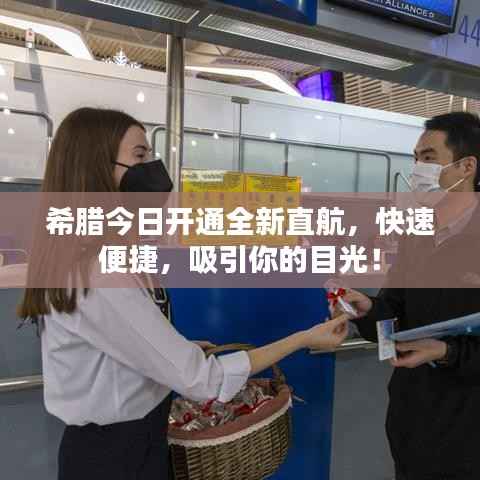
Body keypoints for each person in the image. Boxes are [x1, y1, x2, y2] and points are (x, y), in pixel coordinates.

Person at [17, 107, 350, 480]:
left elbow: (112, 350)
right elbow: (205, 380)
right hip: (113, 457)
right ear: (96, 168)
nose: (153, 168)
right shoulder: (97, 272)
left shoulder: (104, 257)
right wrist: (304, 338)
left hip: (138, 441)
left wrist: (176, 350)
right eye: (140, 156)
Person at [343, 112, 480, 480]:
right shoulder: (416, 234)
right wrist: (367, 310)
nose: (418, 169)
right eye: (416, 158)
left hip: (469, 428)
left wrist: (447, 352)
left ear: (467, 166)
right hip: (412, 419)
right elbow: (395, 314)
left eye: (429, 158)